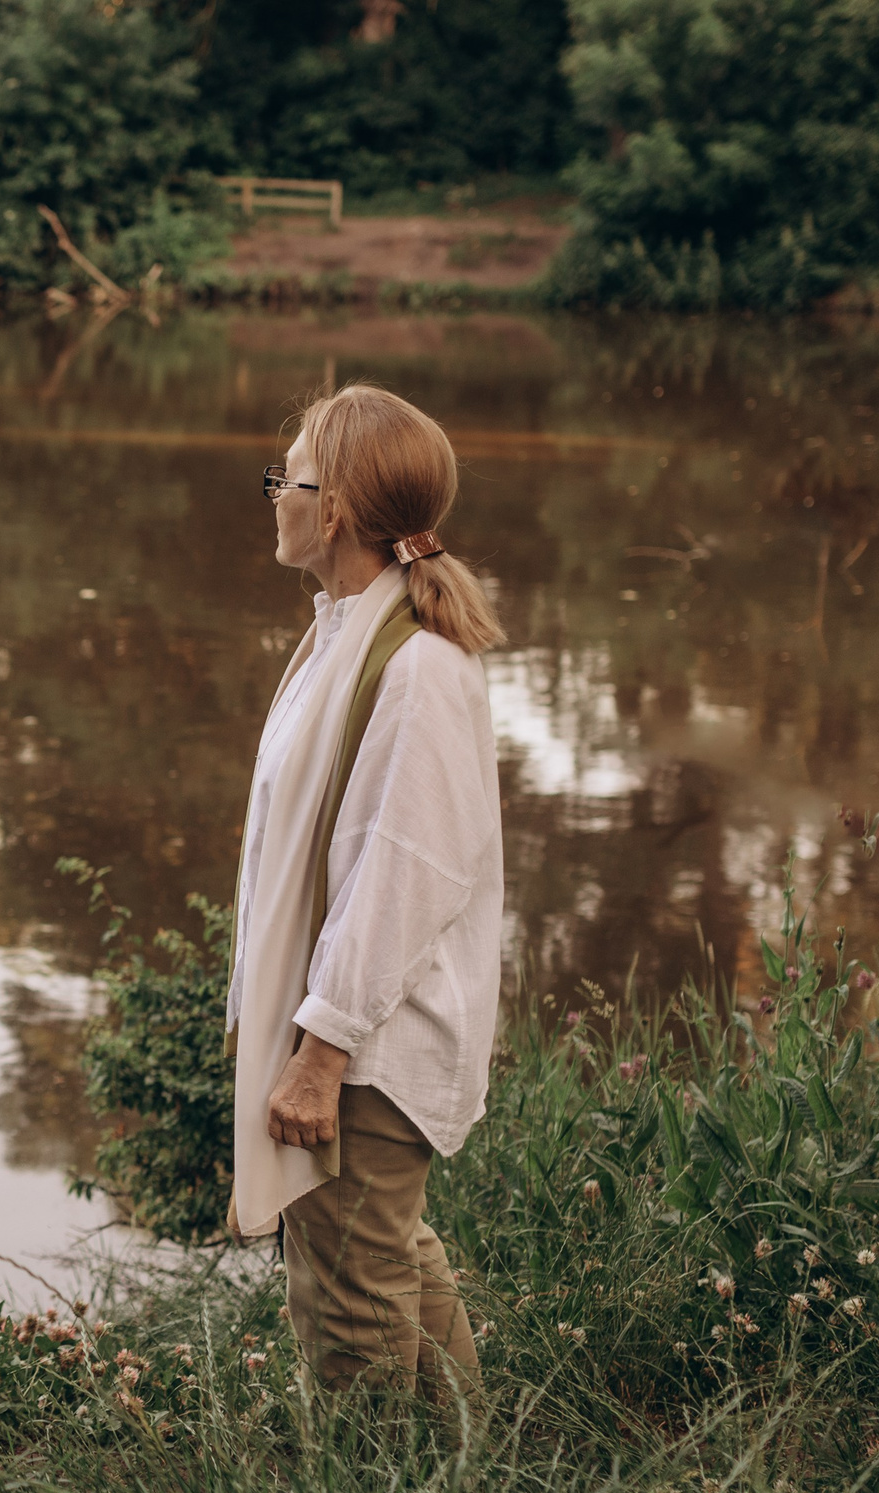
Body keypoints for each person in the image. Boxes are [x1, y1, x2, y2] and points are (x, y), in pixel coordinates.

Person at [228, 383, 504, 1394]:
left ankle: (373, 1491)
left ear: (334, 508)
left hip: (365, 1051)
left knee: (347, 1302)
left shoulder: (417, 666)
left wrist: (320, 1052)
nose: (275, 496)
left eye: (288, 478)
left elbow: (408, 874)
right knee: (391, 1260)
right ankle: (468, 1470)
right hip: (344, 1038)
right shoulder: (343, 633)